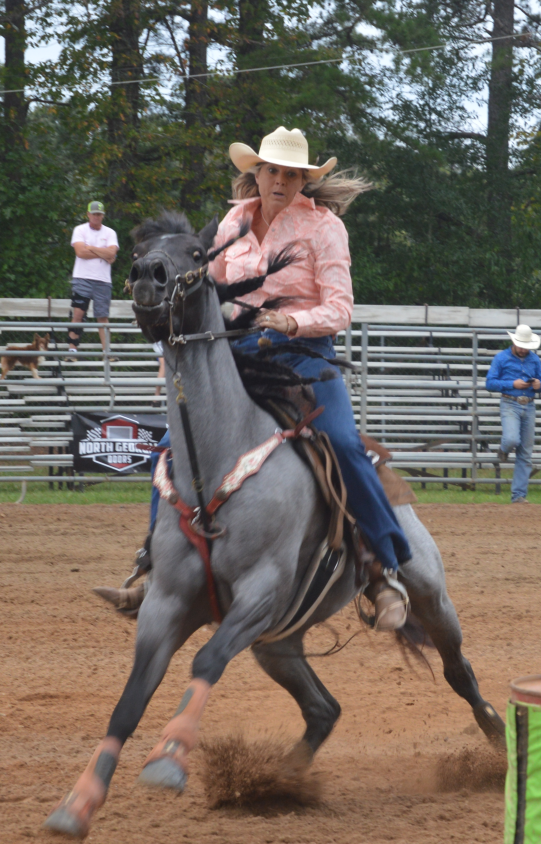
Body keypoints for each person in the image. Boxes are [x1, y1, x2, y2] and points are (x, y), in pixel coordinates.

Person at [99, 126, 410, 631]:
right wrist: (173, 356)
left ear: (304, 180)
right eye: (273, 171)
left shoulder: (325, 227)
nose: (281, 181)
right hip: (236, 351)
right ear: (257, 174)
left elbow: (340, 308)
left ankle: (384, 569)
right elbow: (203, 293)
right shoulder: (232, 221)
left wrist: (292, 321)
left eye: (292, 174)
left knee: (344, 445)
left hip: (305, 355)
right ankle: (153, 564)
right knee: (170, 445)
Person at [485, 325, 541, 503]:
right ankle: (504, 449)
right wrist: (513, 384)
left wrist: (538, 385)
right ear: (514, 342)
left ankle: (519, 495)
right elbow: (489, 383)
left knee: (525, 453)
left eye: (525, 346)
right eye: (520, 345)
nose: (523, 349)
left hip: (529, 404)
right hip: (510, 402)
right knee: (512, 439)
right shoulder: (501, 358)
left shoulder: (534, 360)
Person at [69, 201, 119, 359]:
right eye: (94, 214)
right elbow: (80, 253)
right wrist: (104, 253)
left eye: (99, 214)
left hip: (103, 281)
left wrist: (90, 247)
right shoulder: (80, 230)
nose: (96, 217)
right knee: (78, 313)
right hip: (82, 278)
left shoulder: (110, 232)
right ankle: (71, 350)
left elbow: (112, 253)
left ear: (103, 215)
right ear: (88, 214)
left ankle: (107, 352)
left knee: (102, 316)